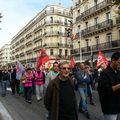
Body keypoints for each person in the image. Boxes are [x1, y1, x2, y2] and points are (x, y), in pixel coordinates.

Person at [97, 51, 120, 120]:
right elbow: (105, 90)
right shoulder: (105, 73)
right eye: (119, 63)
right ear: (113, 61)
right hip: (110, 109)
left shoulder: (118, 72)